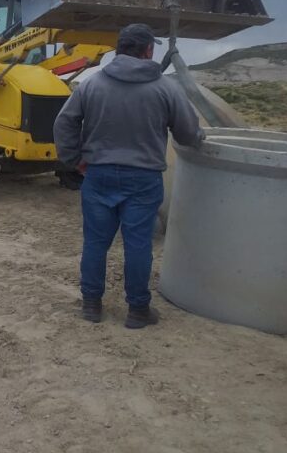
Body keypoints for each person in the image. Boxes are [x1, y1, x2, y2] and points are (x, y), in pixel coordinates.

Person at [53, 23, 204, 329]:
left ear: (120, 48)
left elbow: (64, 123)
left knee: (95, 242)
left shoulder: (91, 85)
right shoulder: (165, 88)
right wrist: (201, 138)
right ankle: (137, 311)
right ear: (148, 50)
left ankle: (91, 305)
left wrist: (74, 160)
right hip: (143, 179)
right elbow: (188, 134)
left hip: (98, 175)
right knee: (137, 245)